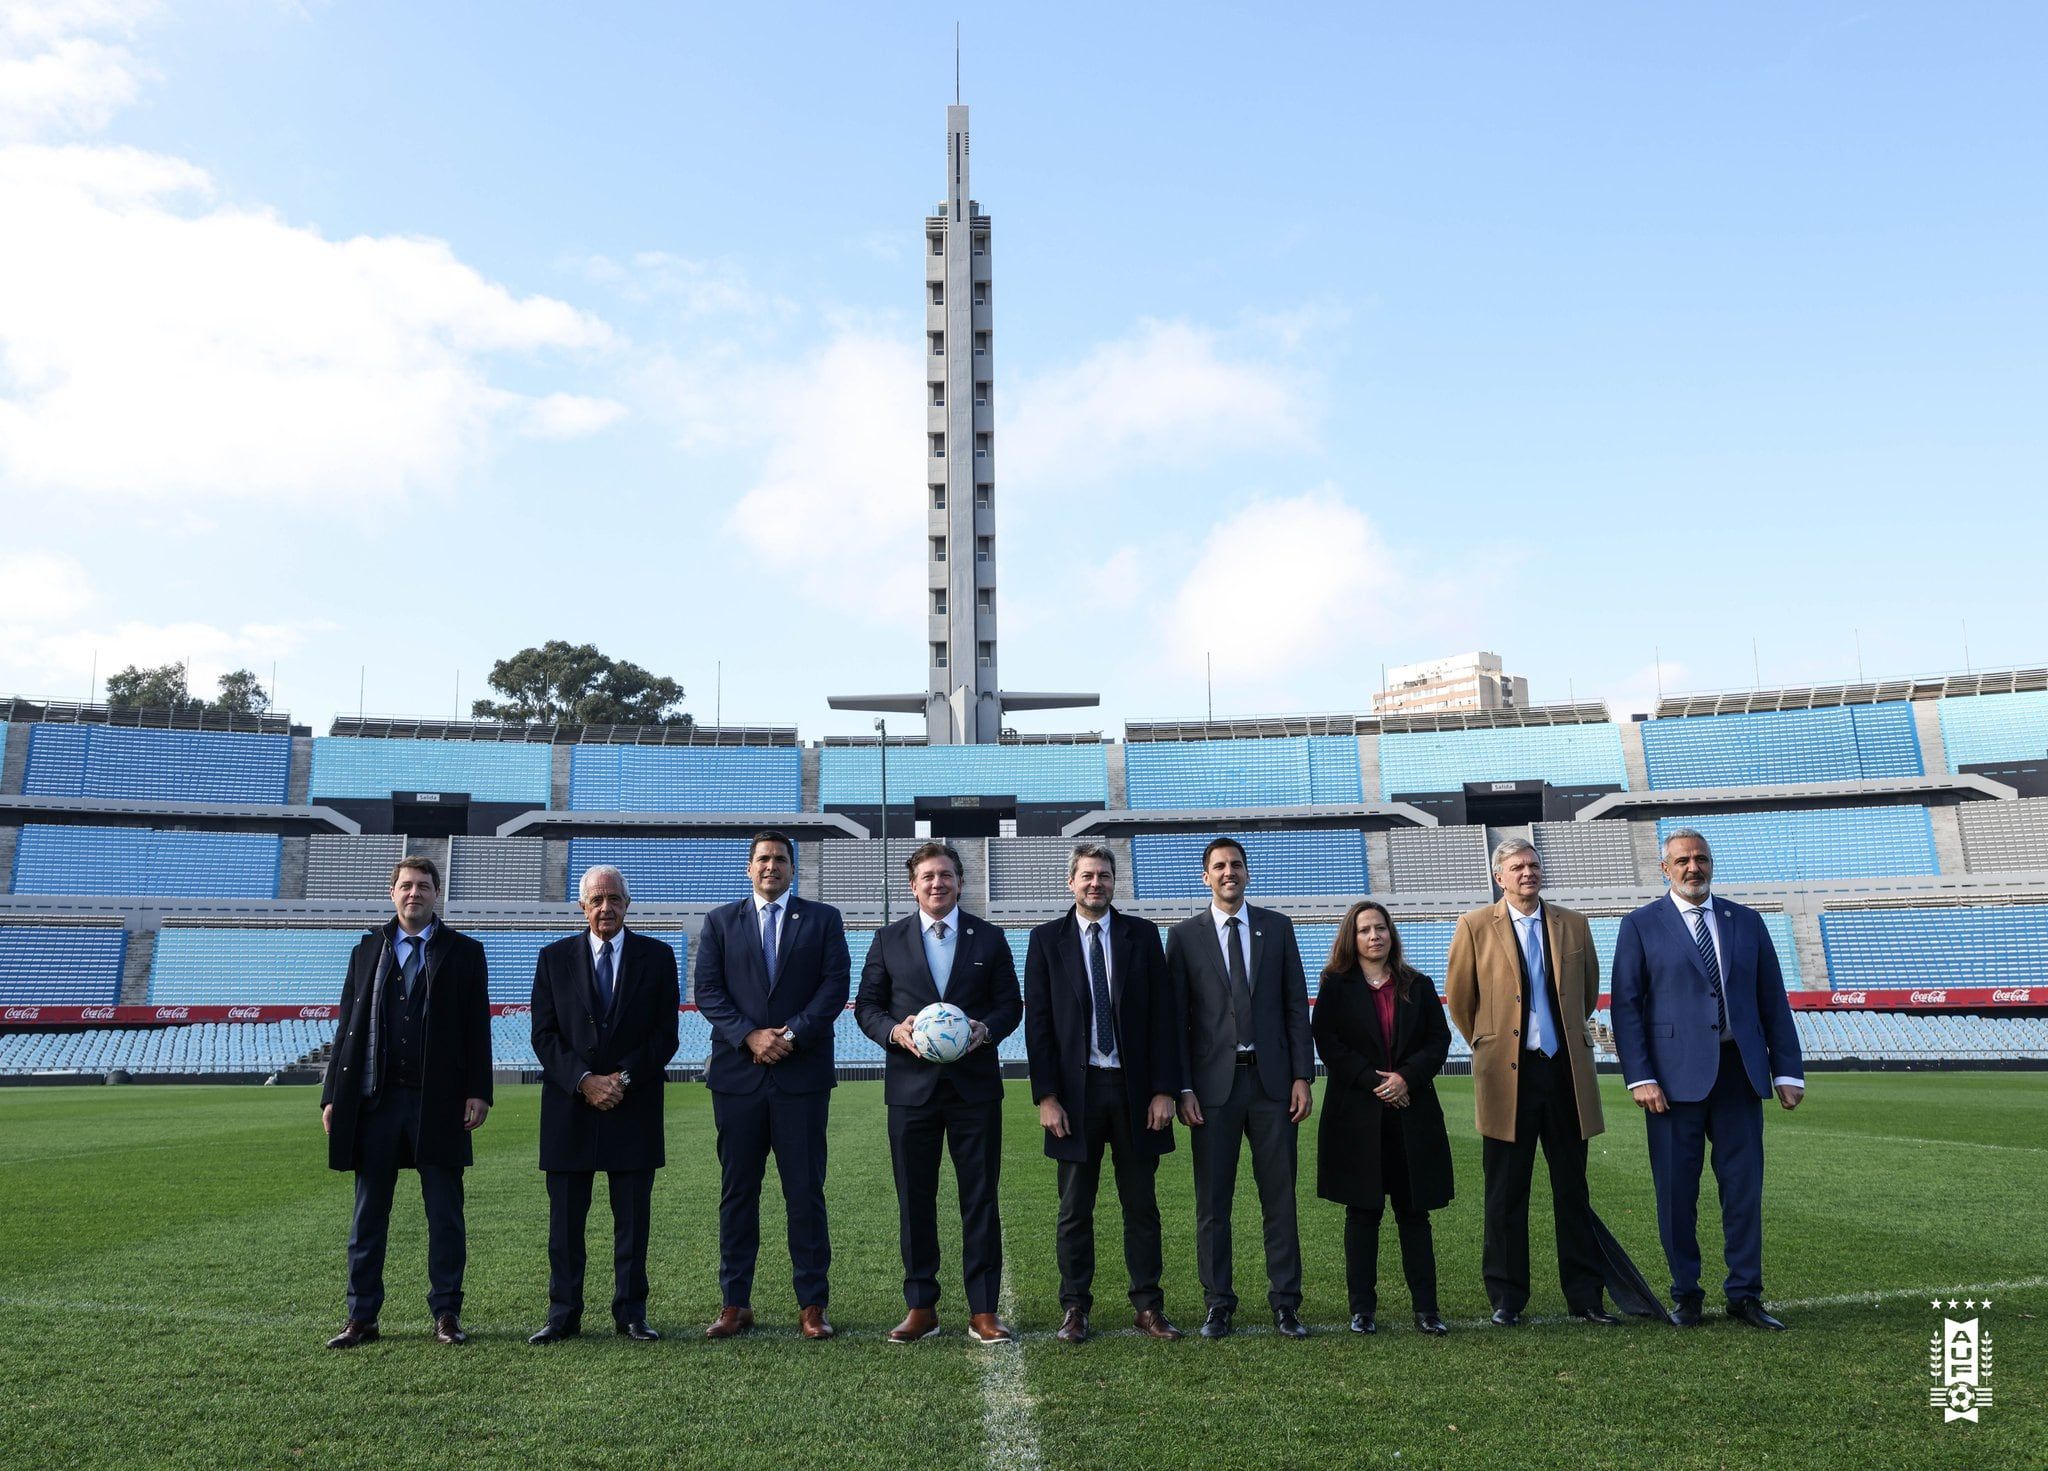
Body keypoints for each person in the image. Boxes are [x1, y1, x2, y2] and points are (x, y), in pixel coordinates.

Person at [1611, 828, 1805, 1331]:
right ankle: (1687, 1294)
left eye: (1700, 859)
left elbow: (1772, 1002)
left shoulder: (1747, 921)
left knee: (1743, 1189)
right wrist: (1640, 1077)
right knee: (1676, 1192)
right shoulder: (1639, 926)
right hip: (1671, 1085)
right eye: (1682, 861)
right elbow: (1627, 1010)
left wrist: (1786, 1069)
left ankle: (1745, 1293)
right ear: (1664, 868)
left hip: (1740, 1075)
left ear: (1711, 864)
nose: (1692, 868)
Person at [853, 840, 1022, 1344]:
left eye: (945, 875)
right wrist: (893, 1032)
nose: (937, 883)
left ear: (959, 882)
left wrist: (985, 1030)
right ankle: (921, 1306)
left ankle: (984, 1309)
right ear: (913, 885)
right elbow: (867, 1006)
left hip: (974, 1090)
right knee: (915, 1200)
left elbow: (1009, 1005)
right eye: (927, 876)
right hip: (911, 1091)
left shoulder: (989, 939)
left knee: (979, 1198)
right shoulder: (888, 939)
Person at [319, 855, 492, 1348]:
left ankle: (447, 1314)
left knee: (445, 1214)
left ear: (438, 894)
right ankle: (361, 1316)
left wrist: (479, 1090)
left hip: (438, 1103)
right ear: (392, 894)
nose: (413, 893)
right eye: (405, 886)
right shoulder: (365, 951)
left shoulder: (464, 952)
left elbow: (476, 1029)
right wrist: (334, 1096)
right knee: (369, 1214)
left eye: (423, 886)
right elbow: (346, 1028)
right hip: (375, 1101)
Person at [1444, 838, 1617, 1326]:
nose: (1528, 873)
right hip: (1506, 1078)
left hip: (1564, 1075)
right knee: (1505, 1192)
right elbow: (1460, 1000)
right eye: (1517, 867)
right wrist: (1492, 1043)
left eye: (1534, 865)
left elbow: (1584, 998)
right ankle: (1506, 1298)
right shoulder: (1474, 926)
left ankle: (1585, 1297)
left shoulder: (1574, 924)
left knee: (1572, 1190)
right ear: (1499, 876)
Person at [692, 830, 851, 1341]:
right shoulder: (719, 922)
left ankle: (812, 1305)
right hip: (738, 1079)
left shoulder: (823, 919)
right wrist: (750, 1037)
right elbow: (708, 992)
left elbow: (834, 987)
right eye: (762, 859)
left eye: (780, 859)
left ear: (793, 868)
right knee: (738, 1193)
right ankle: (735, 1303)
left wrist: (793, 1034)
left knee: (805, 1192)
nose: (771, 867)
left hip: (800, 1077)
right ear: (748, 867)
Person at [1023, 842, 1184, 1344]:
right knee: (1075, 1208)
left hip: (1135, 1091)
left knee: (1141, 1204)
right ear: (1071, 882)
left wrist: (1164, 1090)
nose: (1096, 884)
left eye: (1105, 876)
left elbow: (1164, 1019)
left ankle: (1148, 1306)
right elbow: (1040, 1027)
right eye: (1088, 875)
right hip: (1076, 1093)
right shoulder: (1046, 940)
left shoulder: (1142, 935)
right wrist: (1047, 1097)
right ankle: (1075, 1307)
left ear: (1116, 882)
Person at [1167, 837, 1314, 1339]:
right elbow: (1179, 1021)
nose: (1229, 872)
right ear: (1205, 877)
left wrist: (1301, 1075)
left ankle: (1286, 1303)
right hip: (1212, 1089)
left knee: (1280, 1198)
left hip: (1272, 1084)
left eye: (1236, 865)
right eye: (1219, 866)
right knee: (1214, 1203)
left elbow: (1296, 1005)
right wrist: (1183, 1087)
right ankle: (1218, 1302)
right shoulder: (1184, 936)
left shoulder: (1277, 927)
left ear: (1248, 873)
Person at [528, 864, 681, 1344]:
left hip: (631, 1107)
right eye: (596, 900)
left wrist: (621, 1080)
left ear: (627, 903)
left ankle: (632, 1313)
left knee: (633, 1223)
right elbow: (544, 1035)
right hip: (570, 1109)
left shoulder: (657, 958)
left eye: (613, 898)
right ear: (582, 906)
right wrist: (584, 1080)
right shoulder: (553, 958)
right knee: (565, 1225)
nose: (605, 908)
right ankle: (563, 1314)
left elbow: (665, 1036)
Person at [1313, 900, 1453, 1336]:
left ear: (1391, 934)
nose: (1374, 936)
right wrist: (1376, 1081)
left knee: (1415, 1214)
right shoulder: (1335, 986)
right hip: (1357, 1115)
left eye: (1380, 928)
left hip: (1412, 1112)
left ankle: (1426, 1310)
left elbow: (1438, 1040)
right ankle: (1362, 1310)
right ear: (1350, 939)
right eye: (1364, 930)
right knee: (1363, 1214)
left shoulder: (1418, 984)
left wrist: (1405, 1079)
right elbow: (1329, 1043)